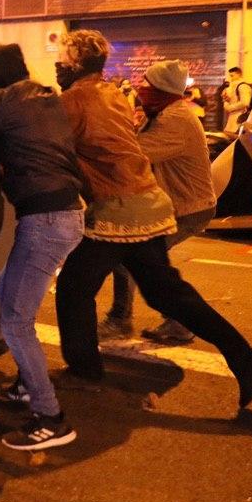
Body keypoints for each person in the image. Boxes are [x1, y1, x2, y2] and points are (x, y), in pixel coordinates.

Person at [53, 30, 252, 410]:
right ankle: (245, 358)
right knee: (166, 291)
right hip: (149, 202)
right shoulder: (113, 95)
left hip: (117, 209)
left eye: (60, 59)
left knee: (74, 286)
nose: (55, 66)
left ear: (73, 64)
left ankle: (85, 370)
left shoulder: (72, 101)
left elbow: (47, 144)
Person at [0, 44, 86, 450]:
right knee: (8, 292)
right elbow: (23, 145)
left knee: (14, 321)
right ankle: (27, 383)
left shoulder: (7, 100)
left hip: (45, 222)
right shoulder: (43, 97)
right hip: (63, 215)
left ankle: (50, 417)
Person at [97, 61, 218, 345]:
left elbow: (135, 154)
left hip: (189, 207)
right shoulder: (162, 112)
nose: (141, 89)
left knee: (138, 261)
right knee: (143, 263)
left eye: (147, 84)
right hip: (175, 204)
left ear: (161, 89)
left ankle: (126, 320)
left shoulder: (175, 119)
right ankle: (162, 321)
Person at [221, 67, 252, 134]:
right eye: (230, 76)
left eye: (232, 76)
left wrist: (230, 107)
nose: (231, 78)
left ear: (239, 74)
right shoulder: (233, 87)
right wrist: (226, 100)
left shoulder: (243, 86)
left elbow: (245, 102)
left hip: (239, 118)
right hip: (233, 118)